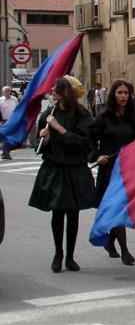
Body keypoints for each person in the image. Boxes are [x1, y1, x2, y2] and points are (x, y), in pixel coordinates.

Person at [29, 76, 98, 273]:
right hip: (55, 169)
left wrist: (59, 129)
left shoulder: (82, 115)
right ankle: (58, 254)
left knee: (73, 214)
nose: (52, 90)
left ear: (65, 92)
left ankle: (70, 256)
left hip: (74, 169)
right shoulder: (49, 113)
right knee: (57, 212)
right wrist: (45, 138)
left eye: (56, 88)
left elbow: (82, 143)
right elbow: (40, 147)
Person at [91, 80, 135, 265]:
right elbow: (90, 141)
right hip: (109, 170)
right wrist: (97, 155)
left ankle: (110, 242)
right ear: (113, 95)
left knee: (121, 209)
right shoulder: (103, 118)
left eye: (126, 93)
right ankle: (124, 250)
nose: (123, 96)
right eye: (120, 93)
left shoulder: (133, 117)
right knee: (115, 209)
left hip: (127, 170)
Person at [0, 86, 19, 159]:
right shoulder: (1, 100)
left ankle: (6, 153)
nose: (7, 92)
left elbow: (17, 109)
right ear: (3, 92)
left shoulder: (14, 99)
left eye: (8, 91)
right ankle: (5, 153)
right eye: (6, 91)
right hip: (3, 121)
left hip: (12, 120)